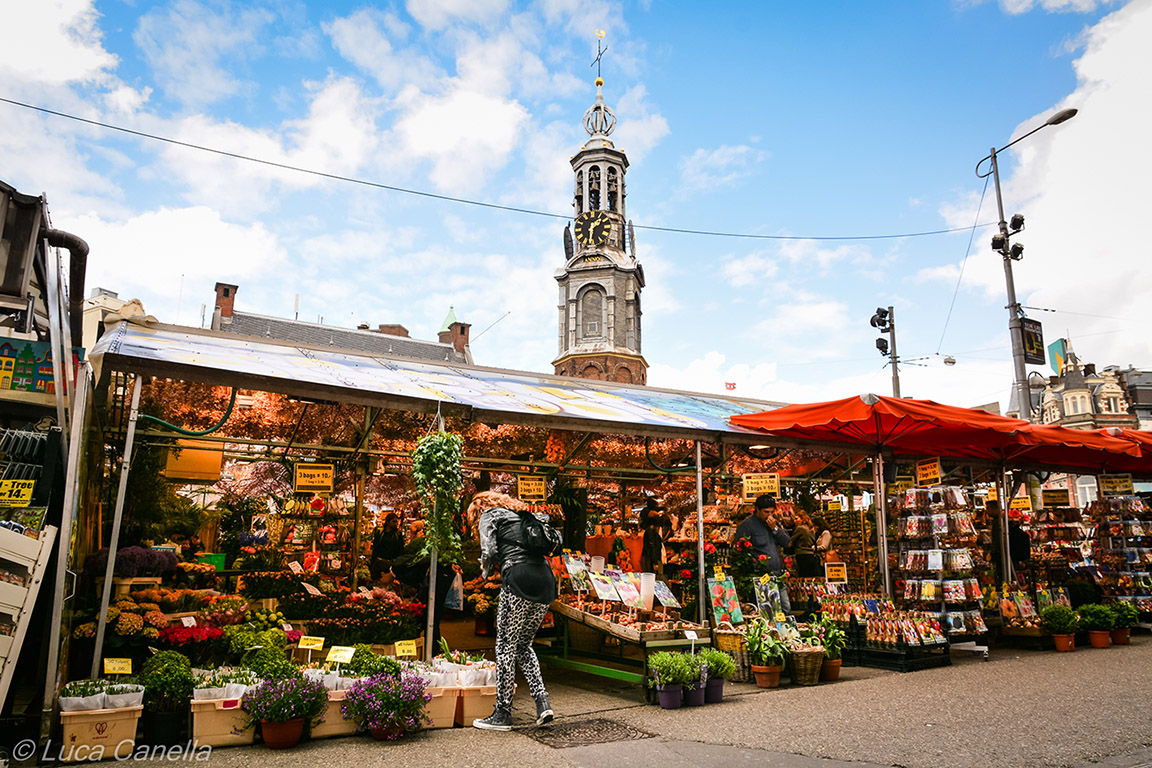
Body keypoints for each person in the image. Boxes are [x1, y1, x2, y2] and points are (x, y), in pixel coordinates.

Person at [468, 491, 557, 731]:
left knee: (505, 645)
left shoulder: (489, 515)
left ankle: (503, 712)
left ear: (478, 509)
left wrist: (486, 572)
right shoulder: (523, 515)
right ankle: (543, 703)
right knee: (524, 645)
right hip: (546, 579)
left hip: (519, 578)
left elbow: (489, 552)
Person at [733, 494, 792, 612]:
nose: (769, 515)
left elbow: (787, 543)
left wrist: (775, 529)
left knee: (785, 609)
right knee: (767, 612)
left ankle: (785, 630)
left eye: (771, 512)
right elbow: (740, 553)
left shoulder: (775, 524)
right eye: (766, 512)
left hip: (777, 575)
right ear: (757, 510)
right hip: (761, 578)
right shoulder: (747, 526)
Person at [639, 499, 672, 574]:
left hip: (649, 558)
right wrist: (655, 562)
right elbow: (653, 546)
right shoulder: (652, 531)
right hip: (651, 560)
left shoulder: (650, 530)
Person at [370, 513, 405, 579]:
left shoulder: (398, 534)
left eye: (396, 522)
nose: (396, 524)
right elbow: (375, 548)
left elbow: (400, 549)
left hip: (392, 564)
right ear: (388, 522)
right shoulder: (380, 532)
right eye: (393, 521)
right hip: (380, 562)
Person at [789, 510, 820, 578]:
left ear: (802, 519)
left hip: (801, 554)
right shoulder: (811, 529)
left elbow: (791, 542)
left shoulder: (800, 528)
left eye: (796, 518)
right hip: (810, 555)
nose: (795, 521)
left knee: (802, 576)